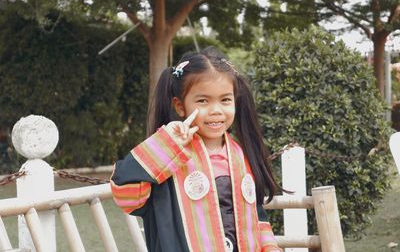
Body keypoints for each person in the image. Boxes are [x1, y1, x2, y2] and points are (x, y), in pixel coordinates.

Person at [110, 47, 283, 252]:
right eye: (203, 101)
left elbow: (256, 215)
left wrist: (270, 247)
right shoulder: (166, 155)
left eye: (225, 99)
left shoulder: (239, 155)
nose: (216, 110)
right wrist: (165, 144)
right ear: (180, 105)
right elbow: (126, 197)